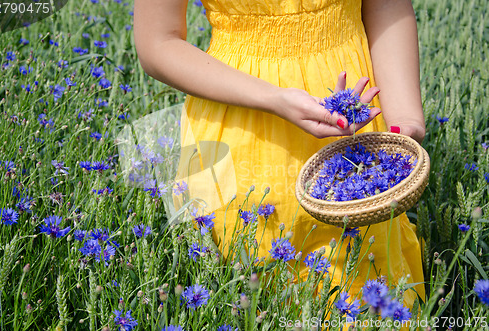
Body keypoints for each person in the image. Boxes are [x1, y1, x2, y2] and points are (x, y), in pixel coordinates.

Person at [133, 0, 426, 311]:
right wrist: (273, 98)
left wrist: (405, 117)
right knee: (253, 299)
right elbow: (157, 41)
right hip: (241, 126)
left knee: (362, 295)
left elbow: (387, 6)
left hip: (354, 131)